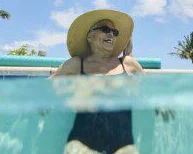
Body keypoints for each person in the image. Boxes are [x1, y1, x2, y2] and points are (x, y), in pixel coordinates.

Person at [51, 9, 144, 154]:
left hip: (123, 145)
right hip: (82, 144)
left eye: (115, 32)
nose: (111, 34)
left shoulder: (128, 64)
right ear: (89, 36)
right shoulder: (76, 64)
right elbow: (46, 87)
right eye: (105, 29)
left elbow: (149, 92)